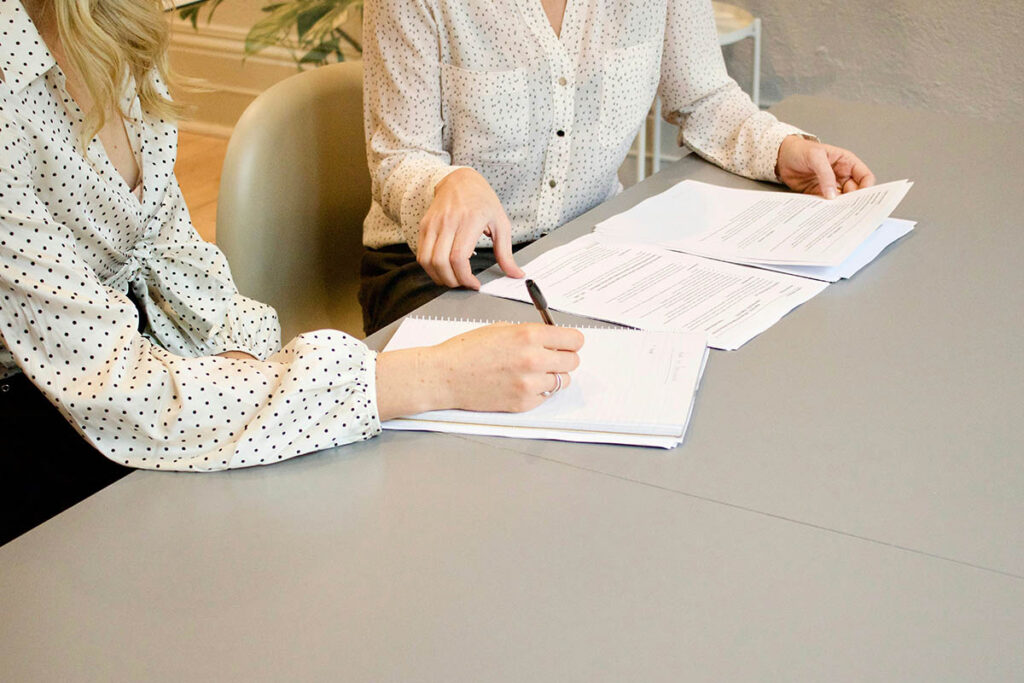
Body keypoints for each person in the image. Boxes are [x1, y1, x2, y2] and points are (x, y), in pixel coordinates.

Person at [0, 0, 583, 546]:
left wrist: (244, 367)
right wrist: (434, 378)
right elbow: (120, 392)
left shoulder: (113, 28)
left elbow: (176, 261)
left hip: (136, 382)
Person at [360, 0, 877, 334]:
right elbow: (398, 157)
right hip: (440, 269)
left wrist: (782, 148)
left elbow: (702, 97)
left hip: (585, 253)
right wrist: (450, 182)